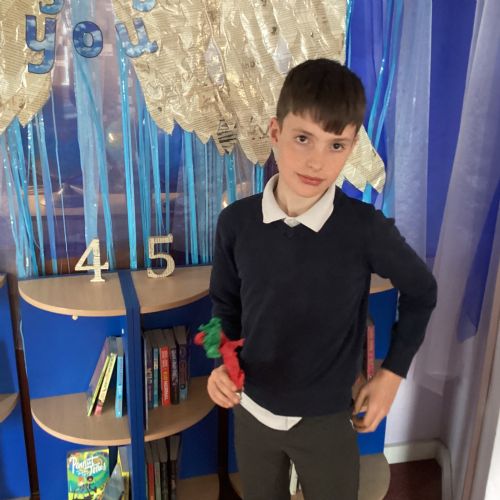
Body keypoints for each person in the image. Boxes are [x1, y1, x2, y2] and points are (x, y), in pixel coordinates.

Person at [207, 58, 437, 500]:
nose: (317, 161)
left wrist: (392, 374)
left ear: (352, 148)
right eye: (303, 138)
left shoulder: (364, 229)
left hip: (328, 419)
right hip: (252, 412)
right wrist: (221, 363)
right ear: (275, 132)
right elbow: (223, 308)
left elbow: (422, 291)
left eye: (336, 145)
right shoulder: (235, 223)